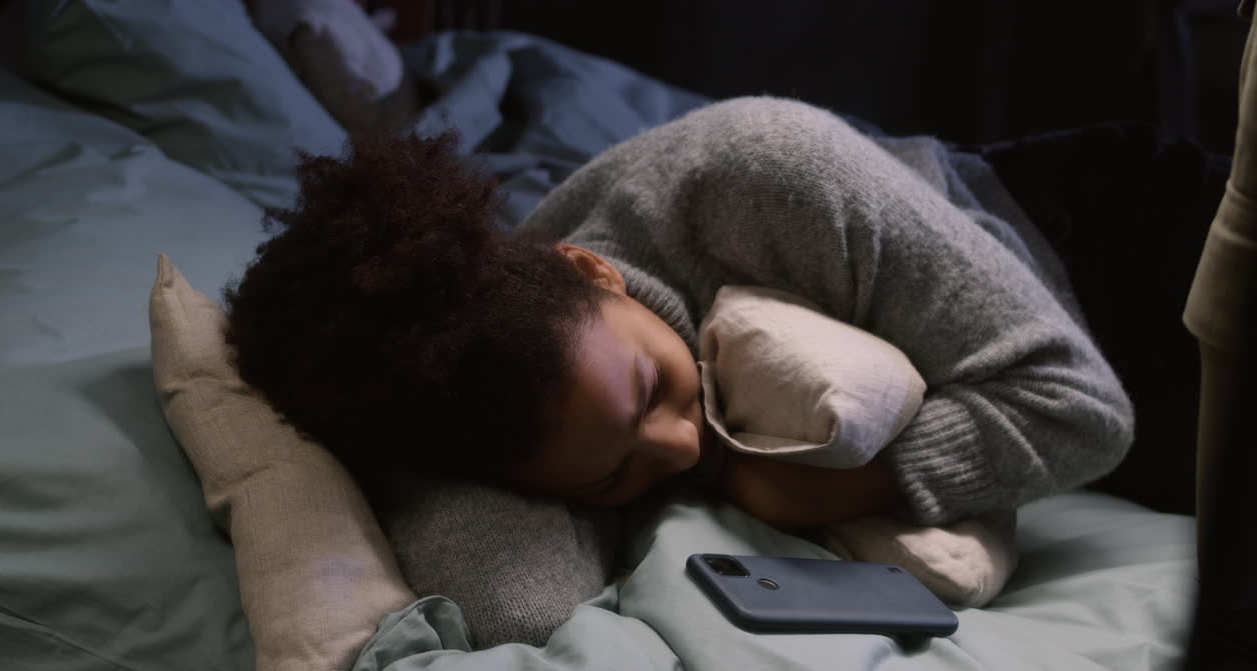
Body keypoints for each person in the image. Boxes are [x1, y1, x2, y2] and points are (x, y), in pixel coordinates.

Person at [223, 96, 1135, 530]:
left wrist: (848, 486)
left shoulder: (770, 177)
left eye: (652, 386)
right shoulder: (484, 392)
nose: (686, 447)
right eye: (614, 477)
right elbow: (506, 601)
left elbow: (1085, 409)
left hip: (1109, 240)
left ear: (590, 269)